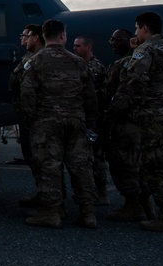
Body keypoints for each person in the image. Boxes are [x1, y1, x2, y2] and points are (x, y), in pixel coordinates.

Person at [110, 11, 163, 232]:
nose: (136, 33)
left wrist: (118, 111)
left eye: (137, 28)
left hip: (155, 116)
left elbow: (135, 83)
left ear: (144, 27)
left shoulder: (145, 51)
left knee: (158, 167)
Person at [19, 19, 99, 229]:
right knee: (81, 166)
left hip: (47, 122)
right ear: (63, 35)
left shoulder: (35, 61)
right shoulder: (77, 61)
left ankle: (52, 212)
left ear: (44, 36)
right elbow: (90, 95)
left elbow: (26, 93)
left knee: (49, 167)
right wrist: (89, 121)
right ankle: (88, 213)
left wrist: (31, 120)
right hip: (75, 121)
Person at [103, 28, 148, 222]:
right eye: (111, 39)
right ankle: (145, 205)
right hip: (141, 121)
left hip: (125, 123)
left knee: (123, 164)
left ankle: (134, 205)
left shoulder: (124, 64)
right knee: (140, 165)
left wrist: (107, 116)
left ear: (130, 41)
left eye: (117, 39)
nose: (112, 42)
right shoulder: (143, 61)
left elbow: (116, 94)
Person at [9, 24, 44, 207]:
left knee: (42, 160)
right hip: (30, 115)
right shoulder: (29, 58)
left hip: (35, 117)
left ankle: (49, 200)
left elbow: (27, 89)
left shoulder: (38, 59)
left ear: (36, 37)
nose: (23, 39)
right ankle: (44, 194)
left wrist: (29, 116)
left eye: (25, 35)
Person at [73, 34, 110, 204]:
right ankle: (90, 192)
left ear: (88, 47)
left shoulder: (95, 67)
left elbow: (95, 96)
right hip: (84, 117)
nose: (75, 49)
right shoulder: (80, 65)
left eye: (78, 46)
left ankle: (101, 193)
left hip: (94, 119)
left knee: (96, 158)